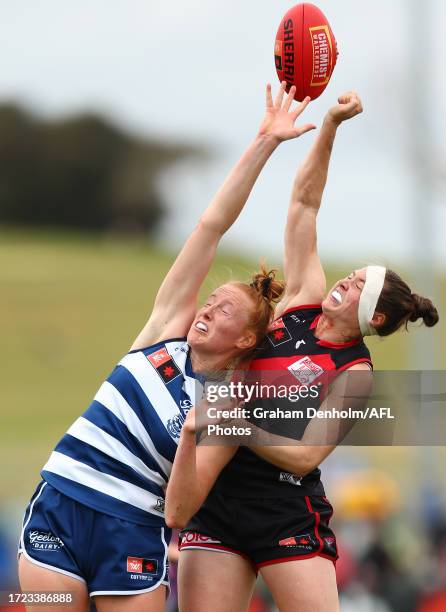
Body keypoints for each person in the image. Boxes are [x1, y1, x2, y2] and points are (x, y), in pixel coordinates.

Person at [17, 83, 316, 612]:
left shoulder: (226, 408)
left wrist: (194, 433)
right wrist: (265, 141)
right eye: (210, 300)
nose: (207, 309)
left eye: (224, 309)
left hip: (133, 529)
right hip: (61, 502)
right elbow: (210, 226)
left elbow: (180, 512)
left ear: (246, 339)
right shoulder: (163, 336)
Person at [165, 91, 440, 612]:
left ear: (374, 318)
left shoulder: (355, 373)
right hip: (220, 497)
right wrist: (331, 124)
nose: (345, 281)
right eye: (352, 274)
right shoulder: (300, 299)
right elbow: (304, 203)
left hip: (284, 508)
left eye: (359, 285)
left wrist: (233, 422)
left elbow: (306, 454)